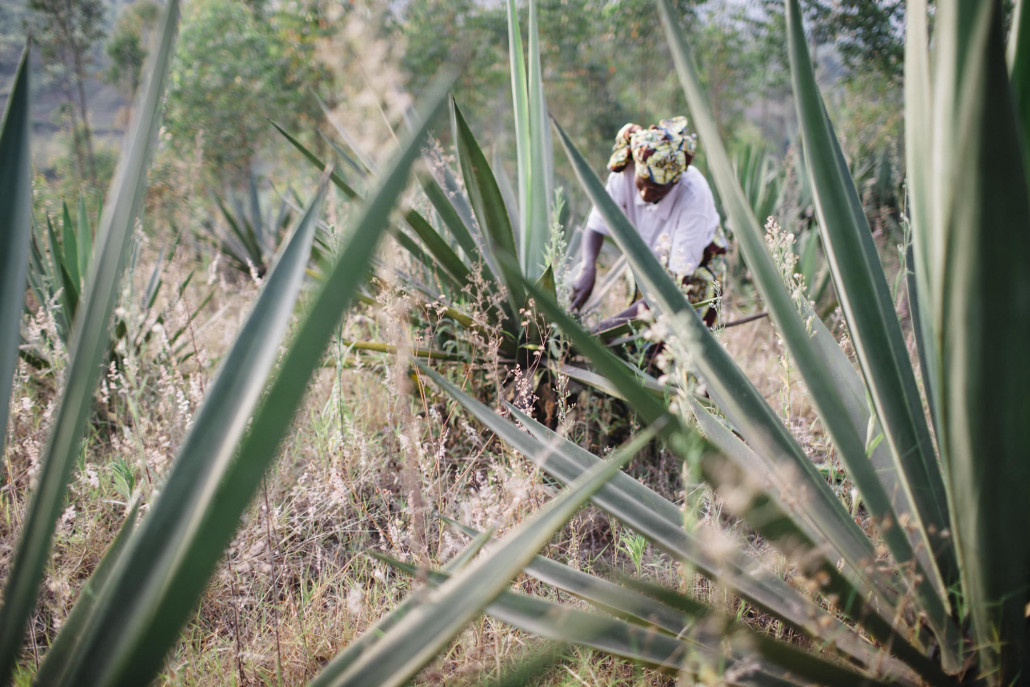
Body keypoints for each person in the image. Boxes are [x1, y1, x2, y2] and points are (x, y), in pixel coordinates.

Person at [570, 117, 726, 329]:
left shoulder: (694, 195)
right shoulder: (624, 172)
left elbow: (674, 287)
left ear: (675, 182)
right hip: (649, 263)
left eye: (657, 189)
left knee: (680, 342)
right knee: (636, 341)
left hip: (693, 272)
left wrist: (608, 327)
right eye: (642, 184)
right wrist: (588, 268)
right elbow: (597, 223)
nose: (645, 193)